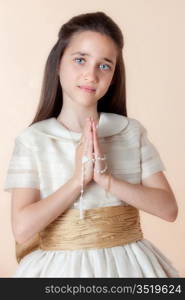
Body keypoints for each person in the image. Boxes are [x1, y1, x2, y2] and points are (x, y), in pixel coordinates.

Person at [3, 11, 179, 277]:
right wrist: (77, 181)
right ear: (58, 63)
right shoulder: (33, 141)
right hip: (59, 271)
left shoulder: (130, 132)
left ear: (113, 76)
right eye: (80, 60)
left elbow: (168, 210)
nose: (91, 74)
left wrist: (107, 180)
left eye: (104, 65)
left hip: (131, 267)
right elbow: (22, 228)